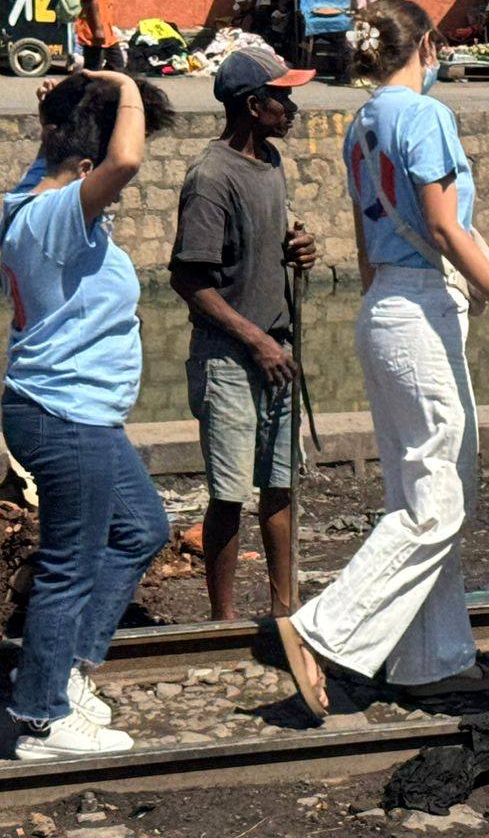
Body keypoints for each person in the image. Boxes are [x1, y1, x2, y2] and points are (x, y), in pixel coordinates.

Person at [273, 0, 489, 720]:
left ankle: (433, 659)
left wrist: (391, 306)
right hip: (421, 307)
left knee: (418, 493)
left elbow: (369, 245)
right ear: (427, 45)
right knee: (440, 503)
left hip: (385, 310)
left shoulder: (362, 123)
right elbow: (441, 223)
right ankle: (321, 630)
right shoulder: (425, 116)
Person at [4, 72, 177, 759]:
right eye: (95, 177)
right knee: (70, 566)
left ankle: (63, 673)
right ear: (83, 170)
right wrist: (122, 78)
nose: (111, 196)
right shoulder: (52, 217)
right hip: (64, 412)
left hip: (75, 412)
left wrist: (60, 105)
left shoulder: (23, 203)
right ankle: (40, 717)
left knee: (141, 529)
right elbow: (125, 159)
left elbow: (66, 155)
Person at [169, 49, 318, 622]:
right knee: (229, 495)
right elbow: (189, 278)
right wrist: (254, 339)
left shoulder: (271, 162)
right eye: (282, 97)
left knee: (279, 486)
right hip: (230, 358)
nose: (292, 106)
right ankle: (224, 620)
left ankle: (285, 610)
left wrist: (299, 250)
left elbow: (267, 246)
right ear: (253, 107)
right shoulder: (210, 177)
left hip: (275, 352)